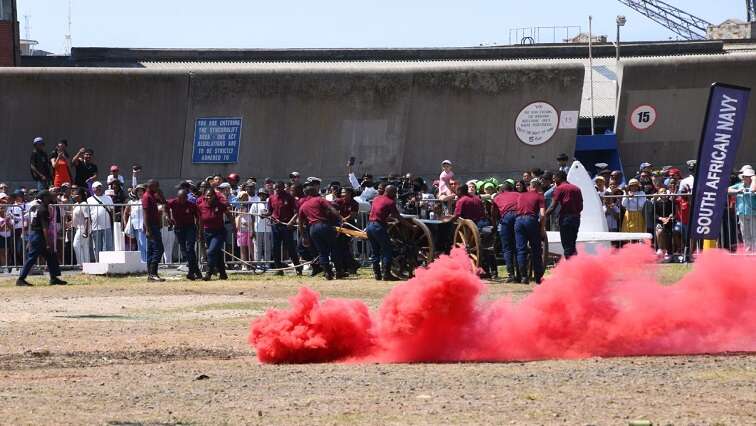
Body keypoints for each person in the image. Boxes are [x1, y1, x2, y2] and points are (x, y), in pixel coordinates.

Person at [16, 191, 67, 287]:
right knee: (32, 258)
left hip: (36, 235)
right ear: (44, 198)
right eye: (48, 196)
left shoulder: (40, 208)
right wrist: (48, 243)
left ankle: (54, 278)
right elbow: (44, 228)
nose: (51, 197)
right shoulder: (43, 209)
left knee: (51, 256)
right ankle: (21, 279)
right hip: (39, 236)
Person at [298, 185, 343, 280]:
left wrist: (304, 237)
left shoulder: (303, 206)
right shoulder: (319, 199)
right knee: (334, 248)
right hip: (323, 225)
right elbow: (331, 208)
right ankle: (339, 271)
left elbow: (300, 224)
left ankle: (328, 273)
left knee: (322, 251)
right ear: (312, 192)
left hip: (312, 229)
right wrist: (340, 218)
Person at [545, 170, 583, 259]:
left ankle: (570, 268)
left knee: (566, 245)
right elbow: (581, 206)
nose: (554, 181)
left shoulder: (559, 189)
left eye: (555, 179)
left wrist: (544, 217)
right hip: (576, 218)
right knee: (572, 244)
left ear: (559, 178)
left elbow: (552, 206)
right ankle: (576, 266)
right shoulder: (577, 188)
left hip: (566, 219)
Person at [366, 185, 401, 281]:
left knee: (375, 251)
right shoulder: (390, 202)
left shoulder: (376, 199)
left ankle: (377, 274)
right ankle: (386, 274)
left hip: (370, 226)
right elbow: (398, 217)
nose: (395, 195)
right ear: (390, 192)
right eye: (394, 192)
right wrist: (411, 226)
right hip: (378, 227)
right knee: (387, 250)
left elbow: (379, 213)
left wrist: (388, 221)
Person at [198, 188, 233, 281]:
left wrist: (234, 227)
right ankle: (223, 273)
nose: (209, 197)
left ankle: (208, 273)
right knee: (217, 253)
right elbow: (201, 221)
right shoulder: (201, 206)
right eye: (207, 195)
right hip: (207, 232)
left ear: (214, 196)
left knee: (211, 252)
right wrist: (200, 233)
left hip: (219, 232)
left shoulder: (220, 205)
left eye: (210, 195)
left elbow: (229, 215)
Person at [514, 179, 546, 284]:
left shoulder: (520, 195)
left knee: (521, 250)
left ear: (530, 186)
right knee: (536, 250)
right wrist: (541, 228)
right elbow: (542, 214)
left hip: (518, 221)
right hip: (531, 220)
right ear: (538, 187)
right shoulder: (540, 196)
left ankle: (524, 277)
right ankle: (538, 277)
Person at [268, 181, 301, 276]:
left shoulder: (289, 197)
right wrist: (265, 215)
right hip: (275, 226)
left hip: (286, 226)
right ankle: (279, 269)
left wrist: (291, 222)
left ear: (283, 187)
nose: (277, 189)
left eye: (279, 187)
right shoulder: (271, 198)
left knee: (291, 248)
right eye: (275, 188)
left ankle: (298, 268)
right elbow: (270, 212)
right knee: (276, 248)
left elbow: (297, 212)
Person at [167, 188, 201, 280]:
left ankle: (191, 272)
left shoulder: (191, 205)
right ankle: (196, 271)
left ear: (187, 197)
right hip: (179, 228)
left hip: (190, 227)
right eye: (180, 198)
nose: (182, 200)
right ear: (177, 197)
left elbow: (198, 217)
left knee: (190, 248)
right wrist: (169, 218)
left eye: (184, 198)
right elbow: (164, 205)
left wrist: (198, 230)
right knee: (184, 251)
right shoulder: (173, 202)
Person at [494, 180, 520, 282]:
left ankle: (511, 275)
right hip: (519, 217)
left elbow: (494, 213)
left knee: (507, 248)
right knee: (519, 246)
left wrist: (495, 225)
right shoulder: (518, 194)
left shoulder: (497, 197)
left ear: (502, 190)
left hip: (507, 218)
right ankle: (521, 274)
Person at [142, 179, 165, 282]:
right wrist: (147, 229)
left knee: (151, 250)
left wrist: (160, 194)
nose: (158, 188)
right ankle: (152, 273)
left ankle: (151, 274)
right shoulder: (147, 197)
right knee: (158, 249)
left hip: (154, 225)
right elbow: (145, 214)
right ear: (151, 186)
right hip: (151, 226)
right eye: (157, 186)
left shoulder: (153, 195)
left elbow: (164, 202)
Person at [334, 187, 361, 274]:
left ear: (350, 193)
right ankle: (350, 265)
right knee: (340, 247)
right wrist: (340, 219)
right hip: (339, 226)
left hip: (349, 227)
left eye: (344, 193)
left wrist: (344, 219)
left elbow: (352, 215)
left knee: (344, 246)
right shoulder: (338, 201)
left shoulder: (354, 203)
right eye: (342, 192)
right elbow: (334, 211)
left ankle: (351, 265)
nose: (342, 194)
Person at [729, 167, 756, 251]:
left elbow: (752, 189)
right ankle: (748, 250)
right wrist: (737, 191)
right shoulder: (739, 185)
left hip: (753, 213)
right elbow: (727, 189)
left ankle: (755, 251)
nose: (744, 178)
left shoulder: (754, 184)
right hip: (741, 213)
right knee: (745, 233)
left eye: (747, 176)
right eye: (744, 176)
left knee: (754, 233)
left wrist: (754, 180)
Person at [85, 181, 114, 260]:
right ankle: (98, 262)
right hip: (95, 227)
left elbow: (112, 211)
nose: (99, 189)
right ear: (93, 189)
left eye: (100, 187)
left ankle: (109, 261)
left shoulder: (108, 198)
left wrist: (113, 224)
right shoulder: (89, 200)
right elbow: (88, 215)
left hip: (107, 226)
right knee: (97, 247)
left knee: (109, 245)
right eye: (97, 188)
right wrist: (89, 227)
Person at [125, 185, 147, 262]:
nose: (140, 192)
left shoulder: (145, 200)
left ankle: (149, 263)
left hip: (143, 226)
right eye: (138, 191)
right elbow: (126, 213)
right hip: (135, 227)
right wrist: (125, 224)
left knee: (145, 245)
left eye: (141, 191)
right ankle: (143, 262)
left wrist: (145, 224)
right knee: (140, 245)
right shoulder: (134, 202)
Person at [71, 187, 91, 265]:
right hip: (78, 228)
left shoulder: (84, 204)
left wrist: (86, 231)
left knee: (76, 245)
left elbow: (87, 218)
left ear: (80, 195)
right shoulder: (76, 204)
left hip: (83, 228)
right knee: (84, 246)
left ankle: (81, 264)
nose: (73, 196)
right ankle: (86, 264)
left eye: (75, 194)